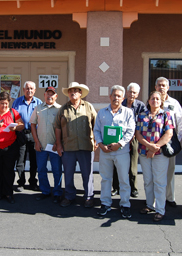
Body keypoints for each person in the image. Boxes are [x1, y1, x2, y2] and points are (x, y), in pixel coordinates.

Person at [94, 85, 135, 218]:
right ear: (110, 96)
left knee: (124, 179)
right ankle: (105, 203)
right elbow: (97, 131)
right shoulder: (101, 112)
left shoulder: (128, 113)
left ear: (123, 98)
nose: (116, 98)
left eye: (119, 96)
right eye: (114, 95)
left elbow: (130, 131)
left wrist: (120, 144)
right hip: (105, 152)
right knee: (105, 179)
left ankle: (125, 204)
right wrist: (100, 144)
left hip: (121, 152)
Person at [55, 82, 97, 208]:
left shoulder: (88, 107)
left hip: (86, 146)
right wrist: (58, 144)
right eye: (70, 91)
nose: (72, 93)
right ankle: (69, 196)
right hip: (68, 147)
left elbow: (97, 124)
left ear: (80, 93)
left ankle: (88, 197)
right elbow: (57, 127)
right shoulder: (63, 109)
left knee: (87, 174)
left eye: (75, 90)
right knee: (68, 173)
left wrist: (96, 140)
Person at [136, 91, 173, 222]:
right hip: (144, 152)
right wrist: (148, 146)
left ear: (161, 101)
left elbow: (169, 133)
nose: (155, 101)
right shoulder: (141, 115)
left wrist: (155, 147)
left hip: (160, 153)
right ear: (149, 100)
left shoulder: (166, 115)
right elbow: (138, 134)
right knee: (148, 180)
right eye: (152, 98)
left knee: (159, 182)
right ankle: (149, 205)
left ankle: (160, 210)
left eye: (157, 99)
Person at [112, 82, 147, 197]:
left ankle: (133, 188)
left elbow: (144, 122)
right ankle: (116, 187)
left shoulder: (141, 106)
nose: (132, 94)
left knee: (133, 164)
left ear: (137, 94)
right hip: (120, 136)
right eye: (130, 91)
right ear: (126, 92)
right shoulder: (121, 103)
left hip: (135, 137)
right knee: (117, 162)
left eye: (134, 92)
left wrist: (134, 134)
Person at [155, 77, 182, 207]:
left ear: (168, 88)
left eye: (164, 85)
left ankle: (169, 197)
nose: (161, 87)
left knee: (170, 170)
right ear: (155, 87)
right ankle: (156, 199)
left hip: (170, 143)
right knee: (156, 172)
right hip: (155, 144)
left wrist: (175, 140)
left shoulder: (174, 103)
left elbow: (181, 123)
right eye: (159, 85)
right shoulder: (152, 101)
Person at [30, 87, 63, 203]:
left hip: (55, 147)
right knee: (42, 169)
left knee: (57, 170)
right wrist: (36, 142)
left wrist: (58, 143)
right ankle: (45, 191)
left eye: (52, 94)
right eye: (47, 94)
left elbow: (63, 128)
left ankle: (58, 192)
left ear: (56, 96)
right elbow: (33, 124)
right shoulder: (38, 108)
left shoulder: (60, 109)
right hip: (42, 146)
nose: (50, 96)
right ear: (44, 95)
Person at [12, 81, 43, 192]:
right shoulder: (17, 102)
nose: (29, 90)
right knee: (20, 160)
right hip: (21, 134)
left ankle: (33, 182)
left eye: (31, 89)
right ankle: (21, 182)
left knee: (34, 160)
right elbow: (12, 118)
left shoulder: (39, 103)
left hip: (35, 134)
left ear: (34, 90)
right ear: (24, 89)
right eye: (27, 88)